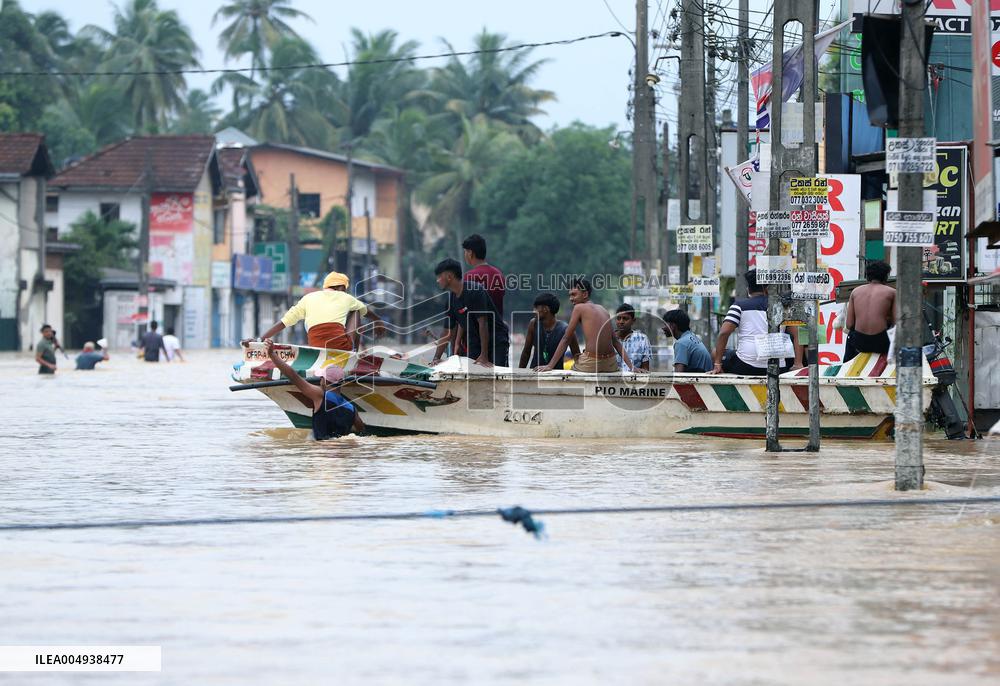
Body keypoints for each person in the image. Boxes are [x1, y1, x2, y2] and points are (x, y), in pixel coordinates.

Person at [265, 339, 364, 440]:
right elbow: (360, 428)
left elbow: (293, 376)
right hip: (340, 450)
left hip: (320, 450)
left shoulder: (320, 395)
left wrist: (272, 354)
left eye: (321, 378)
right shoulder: (352, 409)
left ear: (324, 381)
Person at [259, 271, 386, 350]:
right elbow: (366, 310)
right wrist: (378, 320)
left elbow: (284, 322)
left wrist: (260, 339)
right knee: (356, 310)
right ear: (341, 287)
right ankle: (354, 353)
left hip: (316, 346)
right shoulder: (345, 297)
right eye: (345, 289)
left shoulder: (308, 298)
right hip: (340, 347)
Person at [710, 270, 801, 375]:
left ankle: (717, 369)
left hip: (745, 365)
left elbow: (724, 333)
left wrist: (717, 363)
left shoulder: (739, 306)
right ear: (767, 289)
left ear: (748, 289)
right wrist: (797, 364)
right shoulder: (783, 307)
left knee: (714, 352)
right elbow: (797, 333)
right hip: (778, 366)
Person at [535, 278, 634, 373]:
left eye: (574, 295)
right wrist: (632, 367)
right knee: (579, 356)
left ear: (585, 294)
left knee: (569, 373)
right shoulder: (603, 309)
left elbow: (566, 338)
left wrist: (550, 365)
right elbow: (615, 341)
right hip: (611, 364)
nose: (571, 299)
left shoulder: (579, 307)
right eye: (570, 295)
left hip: (591, 364)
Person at [431, 259, 510, 367]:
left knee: (497, 376)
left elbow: (483, 323)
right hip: (474, 342)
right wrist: (436, 358)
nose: (437, 280)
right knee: (473, 375)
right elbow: (447, 332)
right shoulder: (451, 299)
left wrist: (484, 355)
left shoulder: (475, 290)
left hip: (496, 340)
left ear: (449, 276)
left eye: (439, 277)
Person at [844, 260, 895, 363]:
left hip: (859, 343)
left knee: (851, 335)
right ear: (886, 276)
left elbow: (849, 325)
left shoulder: (855, 291)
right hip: (881, 342)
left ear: (867, 276)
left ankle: (845, 368)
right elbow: (896, 323)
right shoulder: (892, 292)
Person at [518, 292, 580, 369]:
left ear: (546, 309)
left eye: (536, 308)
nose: (533, 311)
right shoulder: (533, 324)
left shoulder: (566, 329)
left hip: (556, 376)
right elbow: (526, 352)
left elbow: (577, 356)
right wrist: (519, 373)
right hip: (535, 373)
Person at [462, 234, 505, 317]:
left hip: (477, 327)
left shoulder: (469, 277)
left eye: (465, 251)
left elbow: (466, 307)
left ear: (470, 253)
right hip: (497, 326)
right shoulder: (499, 274)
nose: (465, 255)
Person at [614, 303, 652, 372]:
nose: (621, 322)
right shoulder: (609, 339)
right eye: (618, 318)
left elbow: (645, 369)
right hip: (611, 381)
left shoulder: (642, 339)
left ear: (633, 321)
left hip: (634, 381)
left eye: (625, 319)